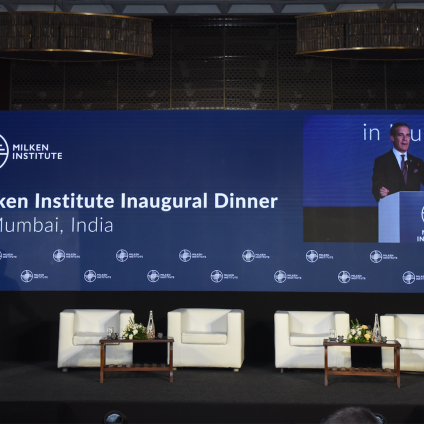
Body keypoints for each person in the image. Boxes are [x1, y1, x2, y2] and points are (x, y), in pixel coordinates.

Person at [372, 122, 424, 202]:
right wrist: (380, 191)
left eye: (408, 135)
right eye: (400, 135)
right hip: (392, 209)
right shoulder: (382, 161)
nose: (405, 139)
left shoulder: (417, 162)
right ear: (392, 138)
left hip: (414, 210)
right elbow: (377, 185)